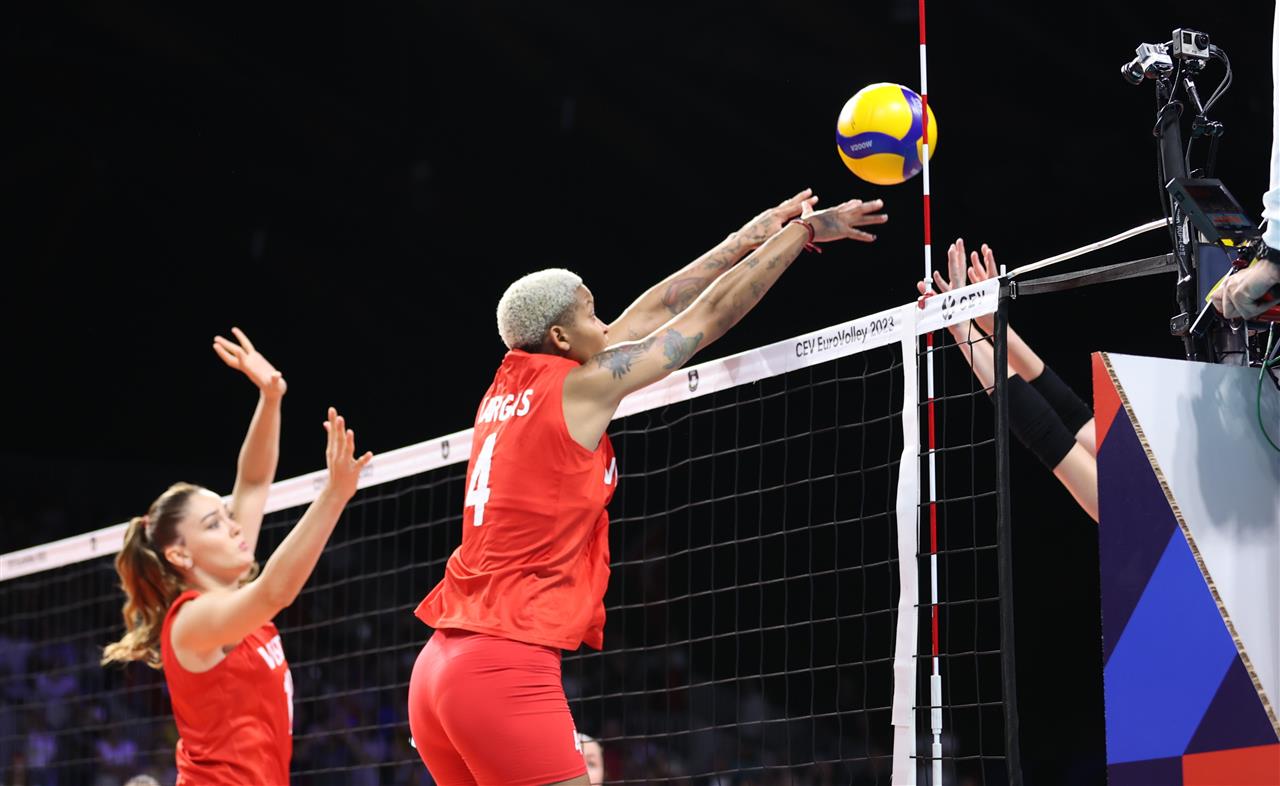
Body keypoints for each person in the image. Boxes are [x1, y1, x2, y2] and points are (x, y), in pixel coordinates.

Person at [408, 190, 888, 786]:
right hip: (502, 665)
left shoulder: (508, 385)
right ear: (560, 337)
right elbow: (705, 320)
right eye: (591, 314)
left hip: (438, 668)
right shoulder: (578, 389)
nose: (605, 325)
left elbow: (649, 311)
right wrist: (804, 234)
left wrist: (744, 239)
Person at [101, 329, 373, 785]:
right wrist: (334, 495)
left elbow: (252, 483)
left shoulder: (232, 594)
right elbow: (275, 592)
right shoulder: (192, 620)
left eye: (227, 516)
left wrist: (271, 396)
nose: (232, 527)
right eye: (213, 524)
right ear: (179, 554)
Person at [922, 240, 1098, 522]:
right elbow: (1072, 417)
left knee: (1052, 438)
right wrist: (994, 325)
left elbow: (1048, 437)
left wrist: (962, 327)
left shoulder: (1151, 522)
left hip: (1157, 531)